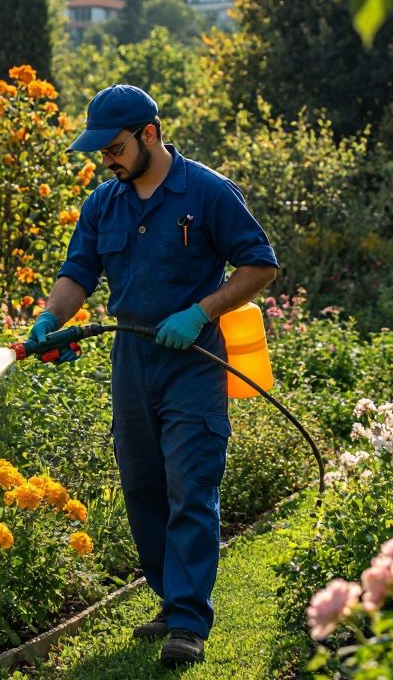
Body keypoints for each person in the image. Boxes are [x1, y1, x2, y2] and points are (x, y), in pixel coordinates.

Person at [28, 84, 277, 667]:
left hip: (192, 357)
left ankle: (188, 621)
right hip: (131, 358)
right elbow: (78, 272)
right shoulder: (103, 204)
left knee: (190, 485)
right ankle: (170, 599)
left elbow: (259, 263)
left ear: (149, 134)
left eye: (114, 148)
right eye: (100, 152)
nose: (106, 160)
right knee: (141, 484)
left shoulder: (208, 192)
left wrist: (201, 312)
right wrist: (48, 318)